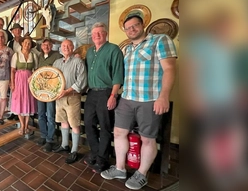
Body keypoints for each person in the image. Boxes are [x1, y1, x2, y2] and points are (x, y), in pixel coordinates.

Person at [100, 14, 177, 190]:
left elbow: (170, 68)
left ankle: (142, 174)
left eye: (134, 26)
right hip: (127, 98)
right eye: (127, 28)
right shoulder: (127, 49)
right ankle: (119, 168)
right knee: (119, 132)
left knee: (148, 139)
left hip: (149, 100)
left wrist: (164, 96)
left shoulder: (160, 40)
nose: (131, 29)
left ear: (143, 25)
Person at [84, 22, 124, 173]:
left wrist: (113, 95)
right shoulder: (89, 52)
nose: (97, 35)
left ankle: (103, 160)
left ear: (105, 34)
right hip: (92, 92)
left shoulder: (114, 49)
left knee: (105, 127)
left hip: (107, 92)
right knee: (88, 123)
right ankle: (94, 153)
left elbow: (118, 75)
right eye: (94, 33)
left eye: (100, 32)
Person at [52, 39, 87, 164]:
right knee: (63, 122)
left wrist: (67, 91)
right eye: (63, 45)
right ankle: (65, 145)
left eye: (68, 45)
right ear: (60, 48)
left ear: (73, 47)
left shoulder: (78, 61)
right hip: (59, 98)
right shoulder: (56, 62)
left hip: (72, 97)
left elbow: (82, 81)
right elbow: (52, 79)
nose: (66, 47)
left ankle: (74, 151)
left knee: (74, 124)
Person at [36, 38, 62, 152]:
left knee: (50, 115)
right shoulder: (39, 57)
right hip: (40, 91)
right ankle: (43, 135)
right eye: (44, 44)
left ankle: (50, 139)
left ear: (51, 46)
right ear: (41, 46)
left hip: (51, 91)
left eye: (48, 45)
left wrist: (76, 55)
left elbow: (66, 58)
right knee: (41, 114)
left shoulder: (57, 55)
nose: (46, 46)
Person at [10, 36, 38, 135]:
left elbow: (36, 70)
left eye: (29, 43)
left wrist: (34, 80)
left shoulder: (33, 56)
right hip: (18, 81)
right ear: (22, 43)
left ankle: (26, 126)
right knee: (19, 102)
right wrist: (12, 83)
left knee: (28, 102)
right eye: (25, 43)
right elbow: (12, 71)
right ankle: (22, 125)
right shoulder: (16, 55)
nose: (27, 45)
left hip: (30, 81)